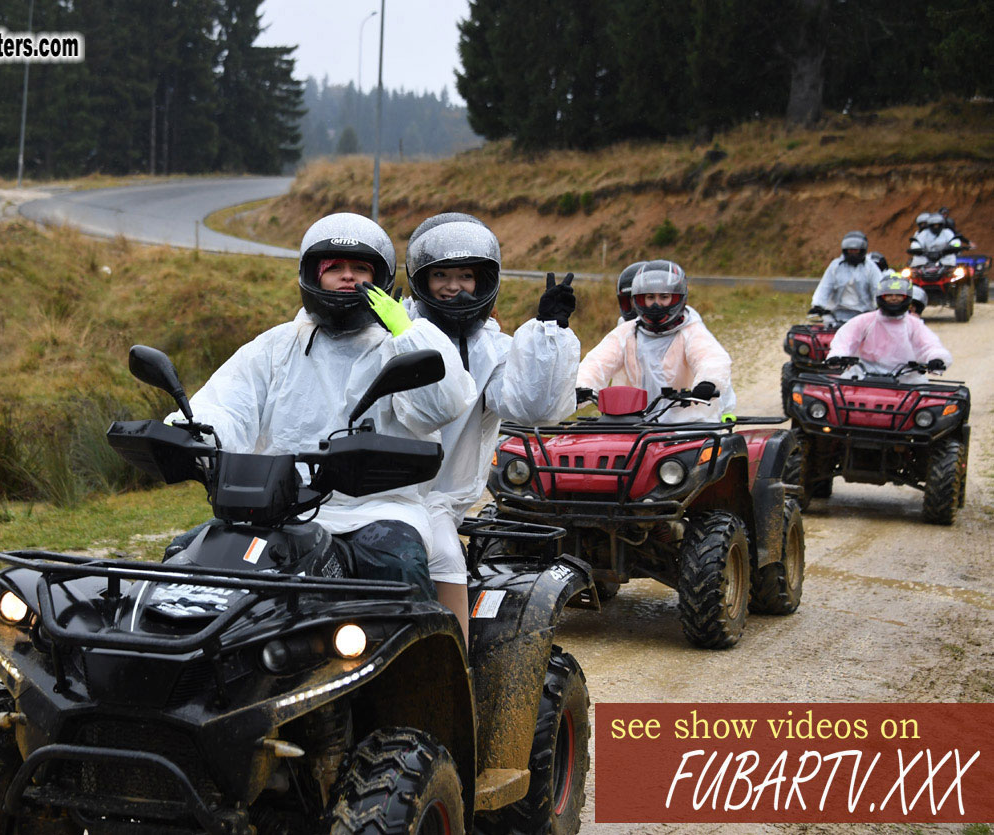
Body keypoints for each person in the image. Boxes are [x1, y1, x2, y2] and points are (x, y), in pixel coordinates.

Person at [166, 212, 477, 600]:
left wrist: (407, 333)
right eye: (334, 268)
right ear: (313, 276)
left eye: (360, 269)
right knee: (182, 555)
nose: (347, 277)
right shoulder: (276, 346)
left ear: (379, 278)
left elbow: (441, 406)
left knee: (398, 565)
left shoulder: (401, 345)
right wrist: (193, 430)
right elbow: (228, 405)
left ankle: (419, 642)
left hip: (376, 510)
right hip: (277, 508)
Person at [405, 216, 581, 641]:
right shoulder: (397, 331)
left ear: (483, 281)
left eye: (465, 276)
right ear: (421, 280)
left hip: (435, 502)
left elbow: (533, 406)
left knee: (446, 558)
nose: (453, 287)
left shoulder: (494, 350)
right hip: (373, 492)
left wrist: (549, 334)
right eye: (440, 276)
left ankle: (456, 663)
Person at [576, 260, 734, 423]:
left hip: (687, 424)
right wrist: (580, 387)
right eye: (650, 297)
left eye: (664, 297)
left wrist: (708, 383)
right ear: (639, 299)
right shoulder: (627, 332)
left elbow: (711, 359)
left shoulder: (691, 331)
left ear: (677, 298)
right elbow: (597, 363)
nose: (656, 304)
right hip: (635, 422)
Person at [827, 273, 951, 384]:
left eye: (899, 295)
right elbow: (845, 340)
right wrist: (837, 355)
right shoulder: (864, 321)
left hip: (906, 380)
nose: (894, 298)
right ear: (881, 297)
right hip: (863, 377)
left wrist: (937, 359)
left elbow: (930, 345)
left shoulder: (914, 325)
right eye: (889, 295)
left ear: (907, 298)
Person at [809, 231, 881, 323]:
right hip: (836, 313)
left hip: (865, 314)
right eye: (850, 250)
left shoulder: (870, 267)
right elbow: (825, 286)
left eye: (856, 250)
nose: (853, 253)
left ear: (862, 250)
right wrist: (818, 305)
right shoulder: (836, 266)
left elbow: (877, 287)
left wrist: (880, 305)